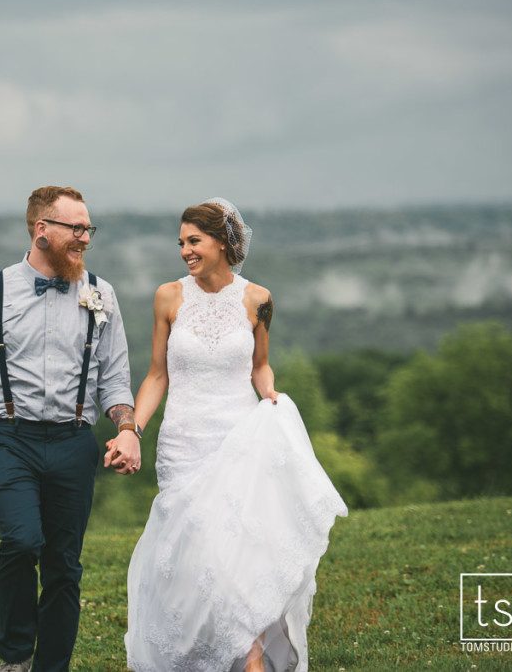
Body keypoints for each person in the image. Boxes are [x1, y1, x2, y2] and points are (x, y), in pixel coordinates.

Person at [121, 198, 348, 672]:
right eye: (181, 242)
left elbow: (260, 367)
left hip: (240, 441)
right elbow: (157, 375)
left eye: (194, 241)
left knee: (239, 556)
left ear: (222, 243)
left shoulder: (258, 299)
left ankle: (251, 661)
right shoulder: (168, 297)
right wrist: (133, 429)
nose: (184, 250)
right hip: (183, 444)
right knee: (199, 557)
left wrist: (271, 396)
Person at [0, 186, 142, 672]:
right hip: (11, 439)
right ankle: (14, 659)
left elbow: (114, 378)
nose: (84, 238)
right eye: (76, 228)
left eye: (88, 228)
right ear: (41, 230)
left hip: (74, 442)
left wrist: (129, 428)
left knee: (64, 569)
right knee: (22, 541)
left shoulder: (102, 293)